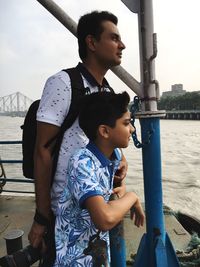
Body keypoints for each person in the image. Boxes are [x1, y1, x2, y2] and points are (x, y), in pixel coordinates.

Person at [28, 10, 128, 265]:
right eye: (114, 38)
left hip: (96, 209)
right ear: (91, 42)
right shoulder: (63, 83)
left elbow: (100, 141)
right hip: (64, 214)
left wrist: (120, 157)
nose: (122, 45)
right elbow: (43, 151)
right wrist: (42, 216)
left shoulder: (107, 90)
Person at [53, 91, 145, 267]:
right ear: (104, 131)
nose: (132, 129)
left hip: (96, 254)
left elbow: (114, 181)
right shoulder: (81, 162)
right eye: (126, 123)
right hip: (75, 259)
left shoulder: (114, 155)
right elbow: (104, 219)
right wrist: (132, 197)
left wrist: (121, 189)